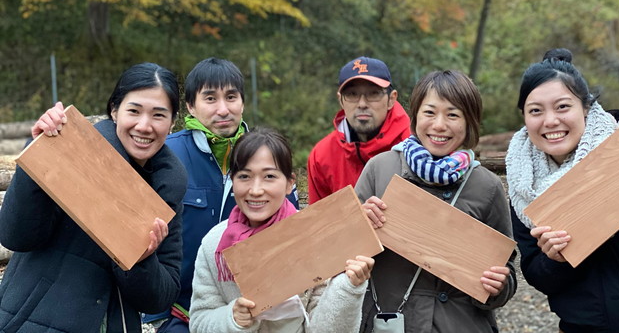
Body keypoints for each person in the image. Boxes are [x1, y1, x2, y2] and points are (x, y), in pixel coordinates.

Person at [0, 62, 187, 332]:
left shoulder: (167, 188)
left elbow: (160, 296)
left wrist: (141, 259)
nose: (144, 126)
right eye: (133, 111)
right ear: (114, 111)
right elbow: (16, 236)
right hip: (34, 320)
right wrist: (39, 157)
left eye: (159, 115)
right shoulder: (70, 152)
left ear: (172, 123)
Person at [145, 58, 299, 332]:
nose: (223, 109)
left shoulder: (265, 155)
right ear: (190, 106)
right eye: (210, 99)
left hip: (250, 312)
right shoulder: (165, 155)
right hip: (177, 311)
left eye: (231, 97)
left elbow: (291, 231)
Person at [356, 70, 516, 333]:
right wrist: (359, 225)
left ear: (470, 122)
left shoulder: (486, 185)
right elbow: (342, 257)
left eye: (453, 115)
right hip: (390, 320)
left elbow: (505, 269)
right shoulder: (380, 168)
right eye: (429, 112)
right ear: (415, 116)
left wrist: (499, 286)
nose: (439, 125)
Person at [506, 48, 619, 332]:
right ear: (524, 116)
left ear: (585, 107)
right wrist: (555, 260)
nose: (550, 121)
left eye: (562, 107)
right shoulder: (523, 184)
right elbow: (537, 275)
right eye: (536, 111)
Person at [189, 127, 375, 332]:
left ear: (289, 184)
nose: (256, 190)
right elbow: (198, 322)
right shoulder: (214, 244)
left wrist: (348, 288)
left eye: (269, 176)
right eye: (244, 176)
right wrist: (232, 317)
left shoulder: (313, 237)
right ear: (232, 181)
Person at [307, 56, 410, 204]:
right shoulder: (322, 155)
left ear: (391, 99)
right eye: (352, 94)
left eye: (373, 93)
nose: (362, 104)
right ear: (340, 100)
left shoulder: (415, 146)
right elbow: (319, 222)